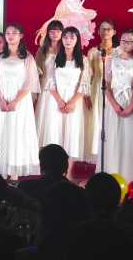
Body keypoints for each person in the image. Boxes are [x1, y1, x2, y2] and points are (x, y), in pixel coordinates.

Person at [0, 23, 40, 179]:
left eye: (14, 33)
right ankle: (1, 169)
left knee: (17, 132)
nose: (10, 36)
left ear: (21, 36)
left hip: (20, 101)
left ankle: (15, 170)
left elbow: (29, 82)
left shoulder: (27, 57)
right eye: (8, 33)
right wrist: (1, 100)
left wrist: (15, 101)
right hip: (1, 100)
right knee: (1, 131)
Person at [37, 27, 91, 175]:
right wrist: (60, 101)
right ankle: (49, 173)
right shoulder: (53, 59)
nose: (68, 40)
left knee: (71, 136)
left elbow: (84, 84)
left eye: (72, 38)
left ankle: (68, 175)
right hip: (55, 102)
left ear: (77, 40)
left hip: (74, 102)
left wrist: (72, 102)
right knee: (54, 134)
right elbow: (50, 82)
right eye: (65, 37)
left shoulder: (83, 60)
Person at [102, 29, 133, 182]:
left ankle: (131, 178)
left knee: (130, 139)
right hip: (114, 103)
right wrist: (115, 105)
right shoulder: (110, 60)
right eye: (123, 41)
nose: (125, 44)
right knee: (114, 139)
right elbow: (106, 84)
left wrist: (130, 107)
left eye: (129, 41)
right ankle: (112, 176)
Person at [85, 19, 118, 162]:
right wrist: (86, 94)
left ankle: (112, 154)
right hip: (97, 89)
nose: (106, 32)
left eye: (108, 29)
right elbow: (88, 75)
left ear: (114, 32)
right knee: (97, 120)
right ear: (98, 32)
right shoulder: (93, 52)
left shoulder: (119, 52)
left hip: (114, 89)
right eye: (103, 29)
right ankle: (97, 157)